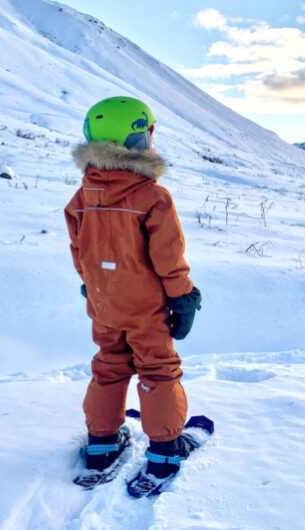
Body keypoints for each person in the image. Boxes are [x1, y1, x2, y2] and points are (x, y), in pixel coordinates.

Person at [64, 96, 201, 484]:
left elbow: (80, 252)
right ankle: (165, 450)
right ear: (140, 138)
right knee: (157, 371)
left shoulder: (83, 197)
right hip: (146, 309)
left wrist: (93, 288)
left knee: (109, 366)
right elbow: (168, 258)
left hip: (105, 304)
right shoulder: (153, 197)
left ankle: (102, 444)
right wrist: (183, 297)